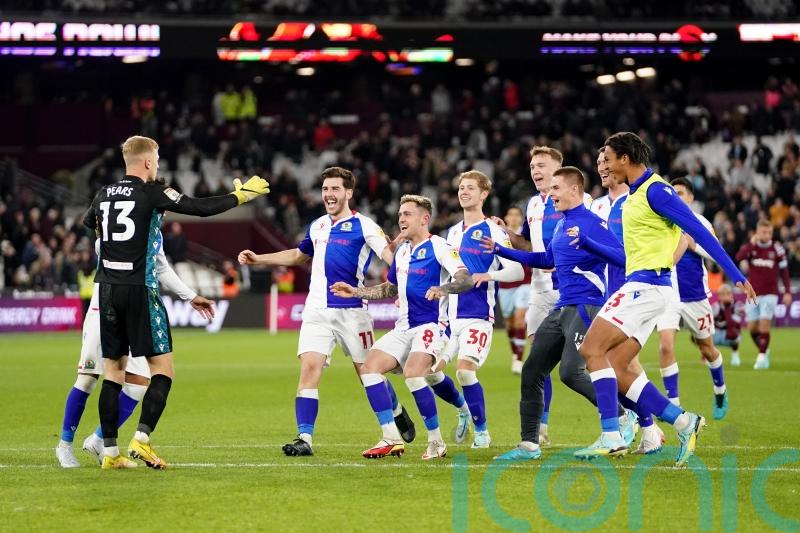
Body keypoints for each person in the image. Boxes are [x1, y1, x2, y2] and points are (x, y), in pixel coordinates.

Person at [83, 135, 268, 469]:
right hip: (139, 288)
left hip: (108, 289)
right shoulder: (152, 192)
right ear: (149, 162)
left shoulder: (103, 193)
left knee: (113, 371)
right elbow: (198, 207)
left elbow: (90, 224)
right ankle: (141, 440)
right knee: (163, 369)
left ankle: (110, 454)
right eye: (156, 158)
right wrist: (240, 196)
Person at [578, 132, 755, 467]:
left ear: (625, 158)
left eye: (609, 158)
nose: (604, 165)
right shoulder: (632, 197)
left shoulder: (657, 191)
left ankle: (612, 435)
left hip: (647, 286)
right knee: (616, 367)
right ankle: (685, 422)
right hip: (645, 288)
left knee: (590, 350)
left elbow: (699, 231)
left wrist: (736, 274)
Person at [238, 167, 414, 457]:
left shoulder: (365, 225)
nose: (329, 194)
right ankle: (304, 438)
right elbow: (298, 255)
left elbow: (391, 258)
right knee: (309, 368)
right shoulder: (317, 225)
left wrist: (403, 277)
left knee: (367, 373)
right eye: (325, 189)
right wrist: (260, 259)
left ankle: (394, 411)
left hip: (352, 311)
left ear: (348, 193)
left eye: (335, 189)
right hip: (316, 310)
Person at [485, 167, 636, 461]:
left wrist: (589, 242)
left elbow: (623, 258)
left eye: (555, 188)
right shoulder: (560, 225)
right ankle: (529, 444)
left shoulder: (591, 223)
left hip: (588, 307)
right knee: (532, 370)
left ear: (574, 190)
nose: (550, 194)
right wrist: (501, 250)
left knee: (569, 372)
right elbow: (546, 259)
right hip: (562, 308)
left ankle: (621, 417)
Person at [331, 195, 471, 460]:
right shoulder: (403, 252)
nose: (401, 219)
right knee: (369, 369)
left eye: (407, 214)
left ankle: (436, 441)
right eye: (400, 214)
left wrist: (443, 289)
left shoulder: (440, 247)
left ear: (424, 219)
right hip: (404, 326)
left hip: (433, 325)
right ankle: (391, 438)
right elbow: (390, 288)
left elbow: (465, 278)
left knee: (414, 374)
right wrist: (355, 291)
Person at [56, 234, 213, 467]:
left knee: (139, 383)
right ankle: (64, 446)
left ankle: (99, 440)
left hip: (134, 314)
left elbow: (162, 269)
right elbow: (101, 246)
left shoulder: (155, 233)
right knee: (88, 378)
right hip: (104, 309)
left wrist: (190, 296)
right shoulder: (122, 220)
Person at [493, 146, 591, 445]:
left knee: (584, 364)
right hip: (539, 289)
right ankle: (541, 427)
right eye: (533, 166)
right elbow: (529, 247)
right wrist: (508, 234)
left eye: (542, 165)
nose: (535, 170)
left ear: (558, 169)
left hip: (572, 290)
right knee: (537, 359)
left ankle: (624, 417)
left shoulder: (581, 202)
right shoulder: (534, 205)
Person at [428, 171, 523, 449]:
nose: (463, 192)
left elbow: (516, 270)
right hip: (448, 320)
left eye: (470, 188)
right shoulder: (452, 232)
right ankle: (463, 410)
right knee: (430, 373)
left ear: (484, 194)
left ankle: (482, 432)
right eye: (461, 187)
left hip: (478, 317)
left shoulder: (494, 231)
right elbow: (447, 273)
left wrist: (488, 276)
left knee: (465, 371)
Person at [654, 177, 730, 421]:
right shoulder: (661, 219)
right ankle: (674, 406)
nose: (676, 196)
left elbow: (715, 253)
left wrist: (692, 244)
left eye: (681, 193)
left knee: (707, 348)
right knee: (665, 345)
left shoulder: (700, 222)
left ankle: (720, 391)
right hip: (667, 293)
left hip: (695, 295)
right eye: (673, 192)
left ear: (690, 198)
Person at [735, 219, 792, 369]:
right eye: (763, 232)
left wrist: (787, 291)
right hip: (753, 293)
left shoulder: (777, 249)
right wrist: (751, 243)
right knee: (752, 328)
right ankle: (764, 350)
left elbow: (784, 272)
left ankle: (761, 358)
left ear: (772, 233)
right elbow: (738, 257)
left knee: (764, 324)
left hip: (770, 293)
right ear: (757, 232)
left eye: (769, 232)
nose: (766, 235)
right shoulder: (752, 248)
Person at [495, 206, 531, 374]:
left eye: (518, 215)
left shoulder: (524, 235)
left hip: (525, 282)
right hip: (505, 284)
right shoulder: (499, 235)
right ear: (506, 217)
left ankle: (518, 359)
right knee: (509, 324)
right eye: (511, 214)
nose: (514, 217)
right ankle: (515, 353)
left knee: (519, 319)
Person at [713, 284, 745, 366]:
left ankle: (735, 354)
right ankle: (708, 355)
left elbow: (733, 323)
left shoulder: (737, 305)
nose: (725, 296)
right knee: (701, 334)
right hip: (717, 334)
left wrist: (727, 308)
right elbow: (709, 323)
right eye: (722, 294)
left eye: (727, 294)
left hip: (730, 334)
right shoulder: (715, 306)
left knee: (734, 333)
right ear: (719, 296)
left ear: (731, 294)